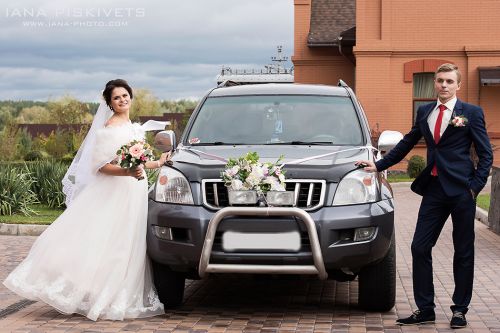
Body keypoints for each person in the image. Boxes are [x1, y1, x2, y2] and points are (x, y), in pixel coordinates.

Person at [3, 79, 170, 321]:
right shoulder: (108, 129)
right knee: (111, 241)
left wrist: (159, 162)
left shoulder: (134, 128)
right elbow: (100, 166)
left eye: (125, 95)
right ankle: (97, 293)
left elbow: (140, 165)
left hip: (134, 192)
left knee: (129, 242)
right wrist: (127, 172)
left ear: (130, 97)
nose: (122, 100)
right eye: (117, 98)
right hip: (116, 192)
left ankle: (116, 294)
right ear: (110, 103)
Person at [357, 64, 493, 329]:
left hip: (462, 191)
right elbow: (408, 142)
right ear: (435, 83)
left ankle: (460, 310)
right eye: (440, 81)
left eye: (449, 81)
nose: (444, 85)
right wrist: (379, 165)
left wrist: (474, 187)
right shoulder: (425, 111)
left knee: (463, 251)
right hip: (434, 190)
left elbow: (486, 153)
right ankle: (425, 309)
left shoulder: (471, 113)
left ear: (458, 85)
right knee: (419, 247)